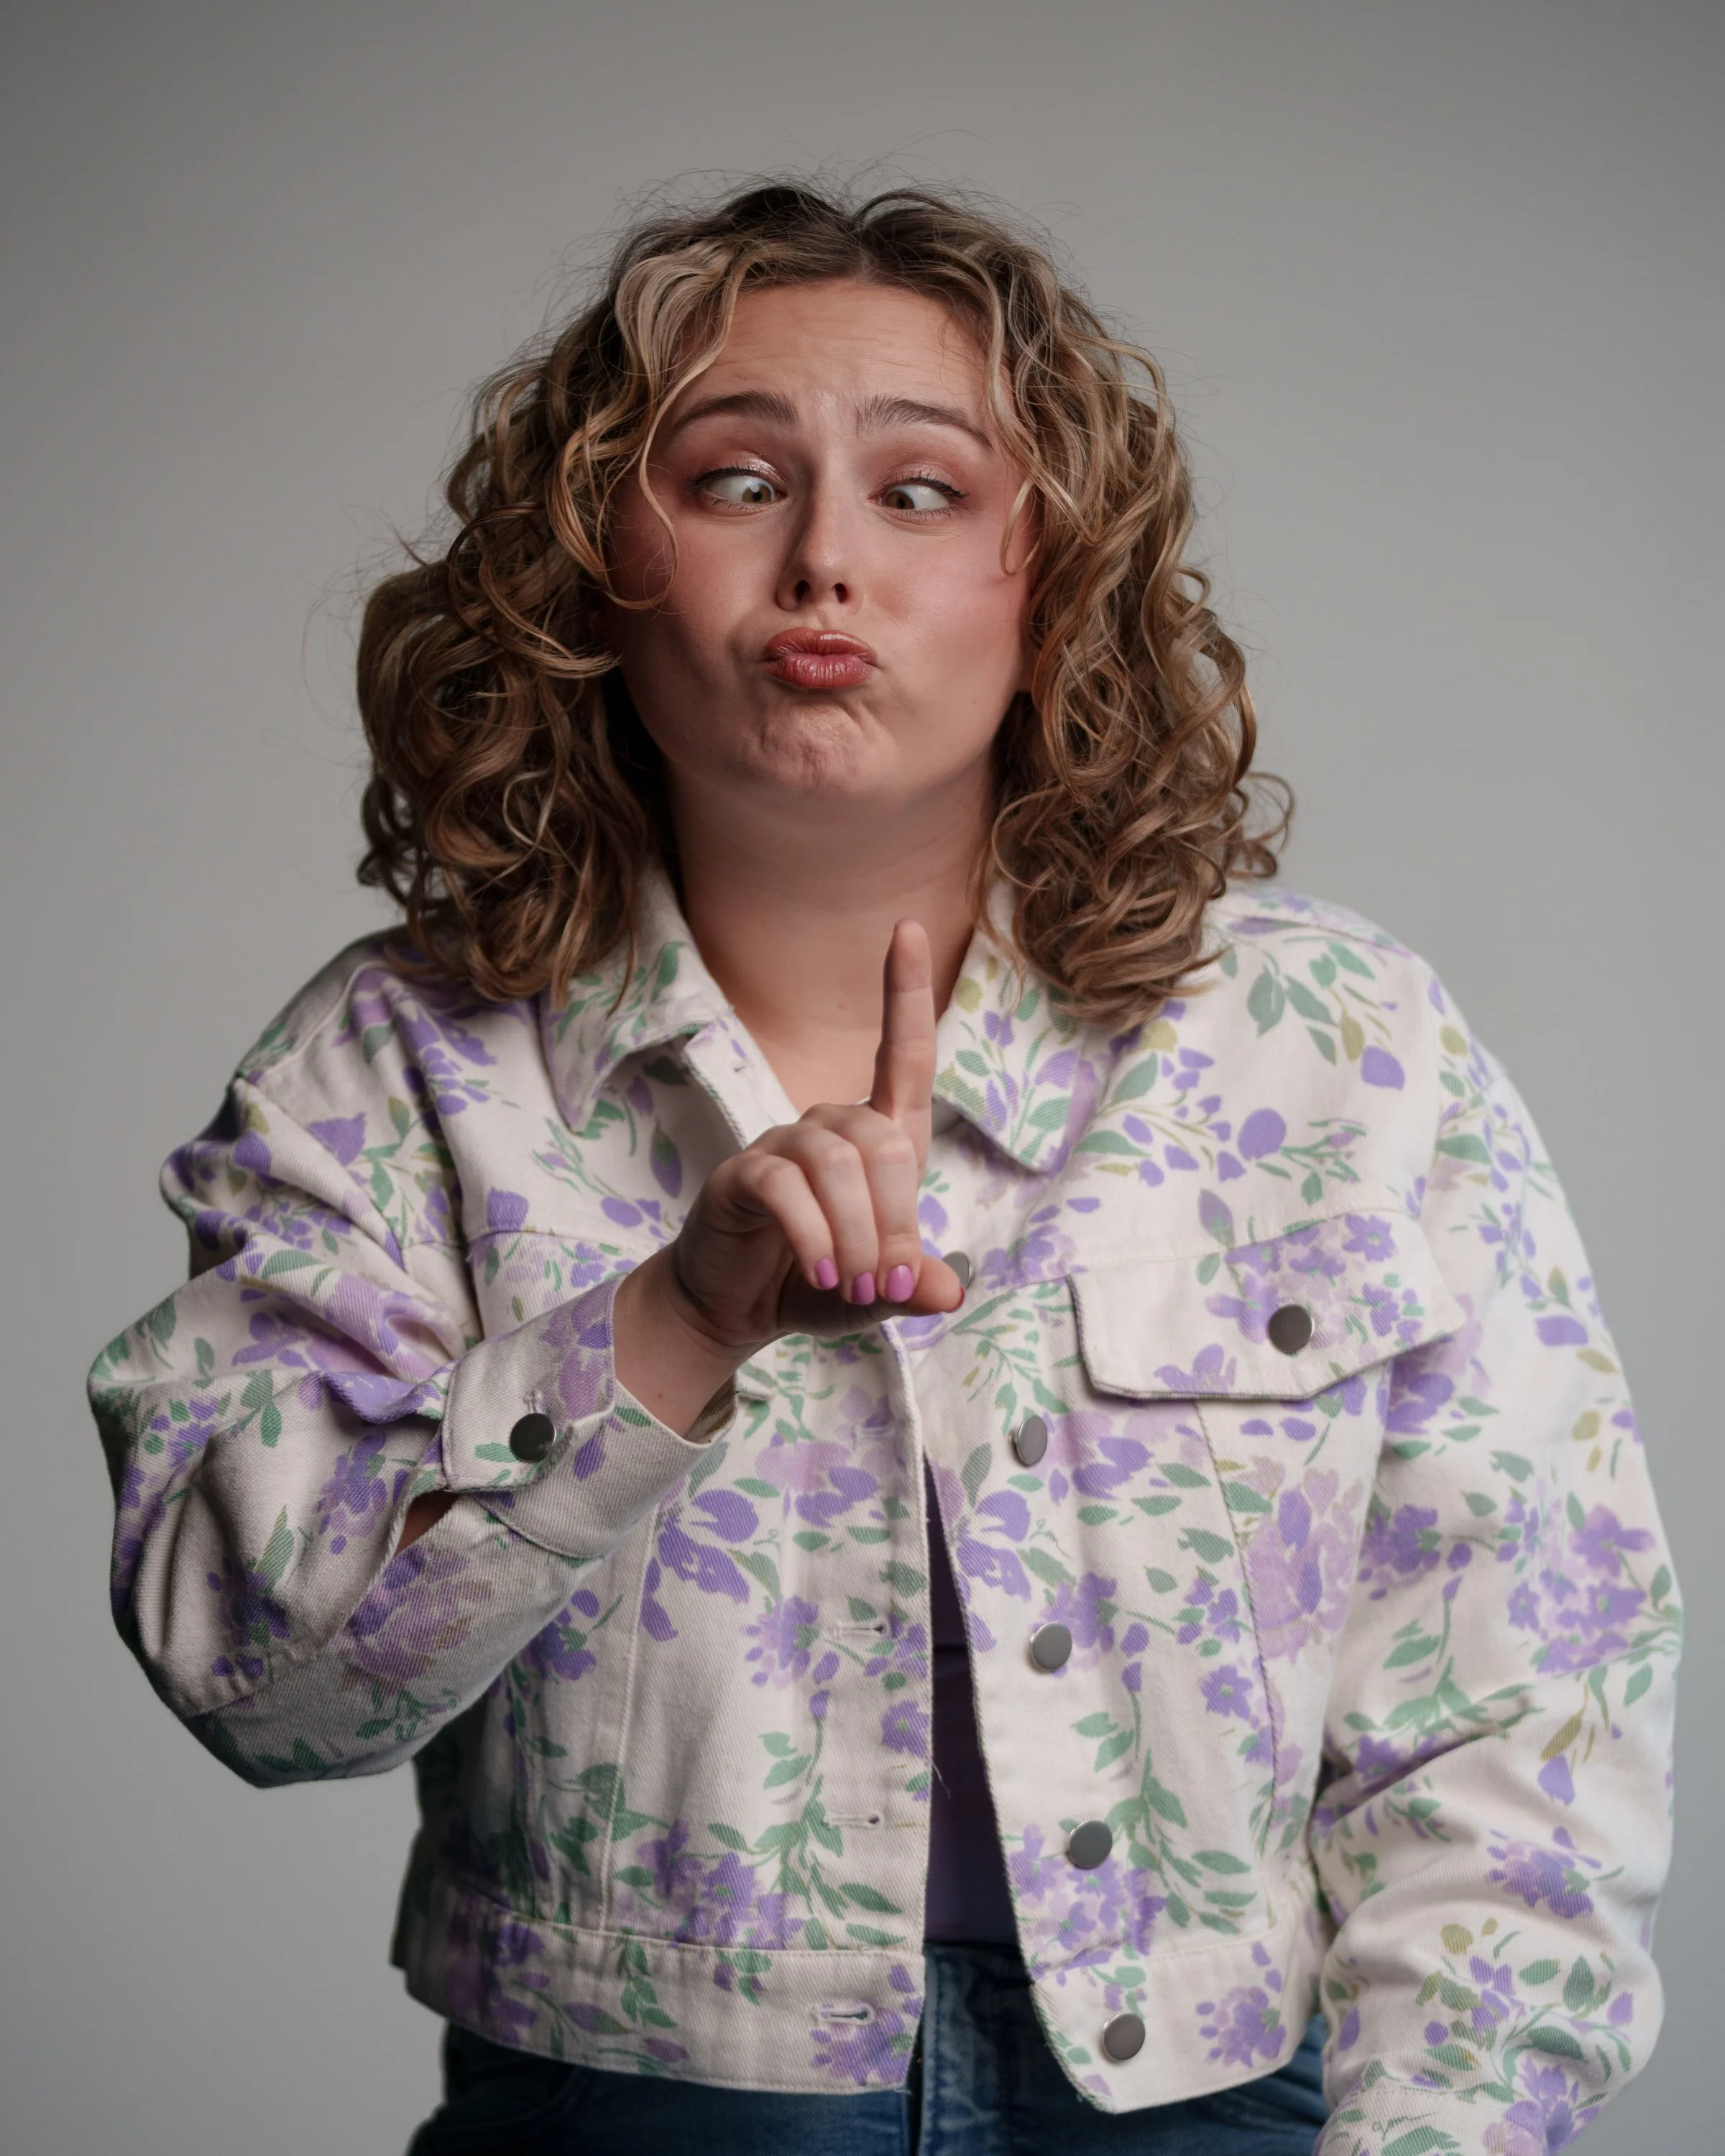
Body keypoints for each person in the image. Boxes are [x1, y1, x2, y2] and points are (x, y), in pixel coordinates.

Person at [89, 182, 1678, 2156]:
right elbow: (259, 1684)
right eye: (737, 478)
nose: (826, 559)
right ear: (592, 566)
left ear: (1057, 580)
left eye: (921, 491)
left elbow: (1530, 1685)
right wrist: (668, 1327)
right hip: (633, 2113)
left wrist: (1440, 2136)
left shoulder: (1337, 1045)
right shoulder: (394, 1065)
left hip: (1222, 2105)